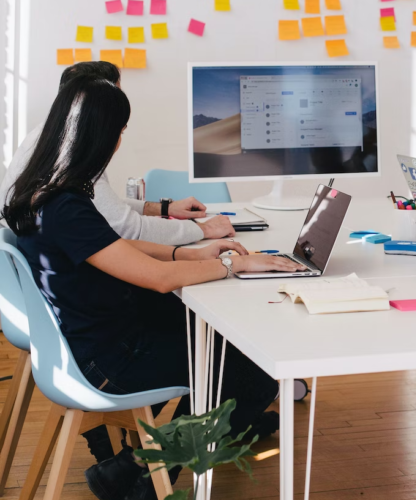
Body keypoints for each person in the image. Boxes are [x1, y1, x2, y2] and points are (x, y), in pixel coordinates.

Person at [2, 77, 306, 499]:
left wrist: (189, 255)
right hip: (108, 361)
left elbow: (115, 247)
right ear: (101, 136)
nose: (120, 142)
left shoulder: (42, 192)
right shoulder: (66, 205)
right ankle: (144, 478)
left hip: (93, 337)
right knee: (252, 373)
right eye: (119, 132)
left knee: (221, 343)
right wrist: (235, 264)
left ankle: (132, 468)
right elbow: (158, 281)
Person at [0, 61, 234, 244]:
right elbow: (127, 229)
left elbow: (99, 206)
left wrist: (165, 209)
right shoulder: (72, 153)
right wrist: (202, 230)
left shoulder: (47, 136)